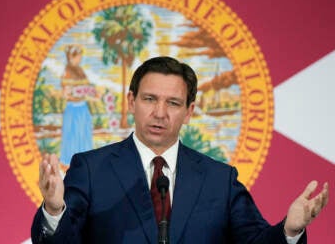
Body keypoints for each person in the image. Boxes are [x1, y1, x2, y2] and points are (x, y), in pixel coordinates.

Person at [31, 56, 329, 243]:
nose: (159, 113)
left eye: (173, 103)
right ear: (130, 101)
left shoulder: (220, 180)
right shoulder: (92, 169)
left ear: (189, 111)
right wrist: (55, 210)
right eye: (149, 99)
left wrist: (289, 231)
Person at [59, 44, 94, 167]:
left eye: (80, 56)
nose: (80, 59)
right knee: (72, 135)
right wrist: (73, 92)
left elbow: (87, 87)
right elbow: (65, 93)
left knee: (83, 134)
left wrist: (90, 92)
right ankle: (69, 163)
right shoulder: (66, 72)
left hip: (83, 107)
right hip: (73, 109)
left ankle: (85, 162)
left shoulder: (80, 70)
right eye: (78, 56)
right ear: (71, 57)